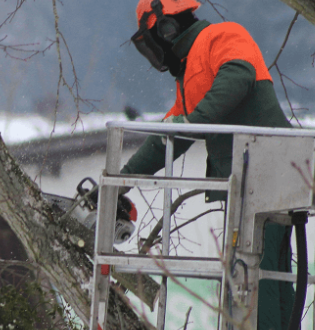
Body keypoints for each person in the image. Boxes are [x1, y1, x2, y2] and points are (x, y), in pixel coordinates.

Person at [124, 0, 295, 328]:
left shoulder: (223, 35)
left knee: (259, 280)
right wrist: (123, 177)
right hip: (246, 187)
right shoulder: (188, 75)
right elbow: (169, 137)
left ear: (166, 28)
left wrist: (194, 123)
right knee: (249, 277)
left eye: (153, 39)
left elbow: (238, 77)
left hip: (270, 175)